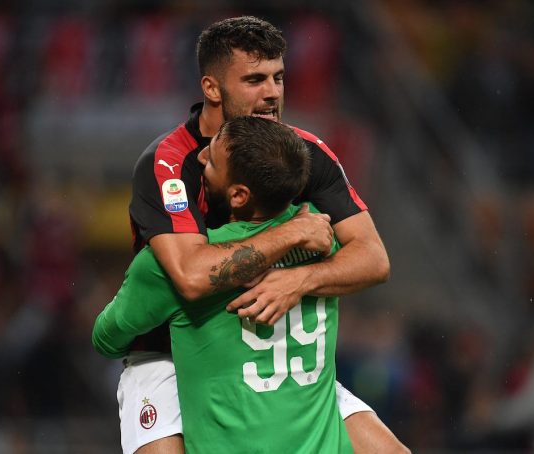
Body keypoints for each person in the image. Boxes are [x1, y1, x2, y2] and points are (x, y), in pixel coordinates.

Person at [125, 15, 407, 454]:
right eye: (254, 79)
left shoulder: (302, 153)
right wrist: (293, 234)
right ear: (212, 88)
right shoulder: (170, 164)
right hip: (171, 356)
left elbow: (374, 258)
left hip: (270, 350)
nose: (272, 92)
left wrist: (301, 279)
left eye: (278, 77)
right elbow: (192, 276)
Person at [95, 116, 353, 453]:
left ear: (239, 195)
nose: (200, 159)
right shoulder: (325, 240)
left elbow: (106, 338)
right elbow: (371, 262)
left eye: (212, 160)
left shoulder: (168, 268)